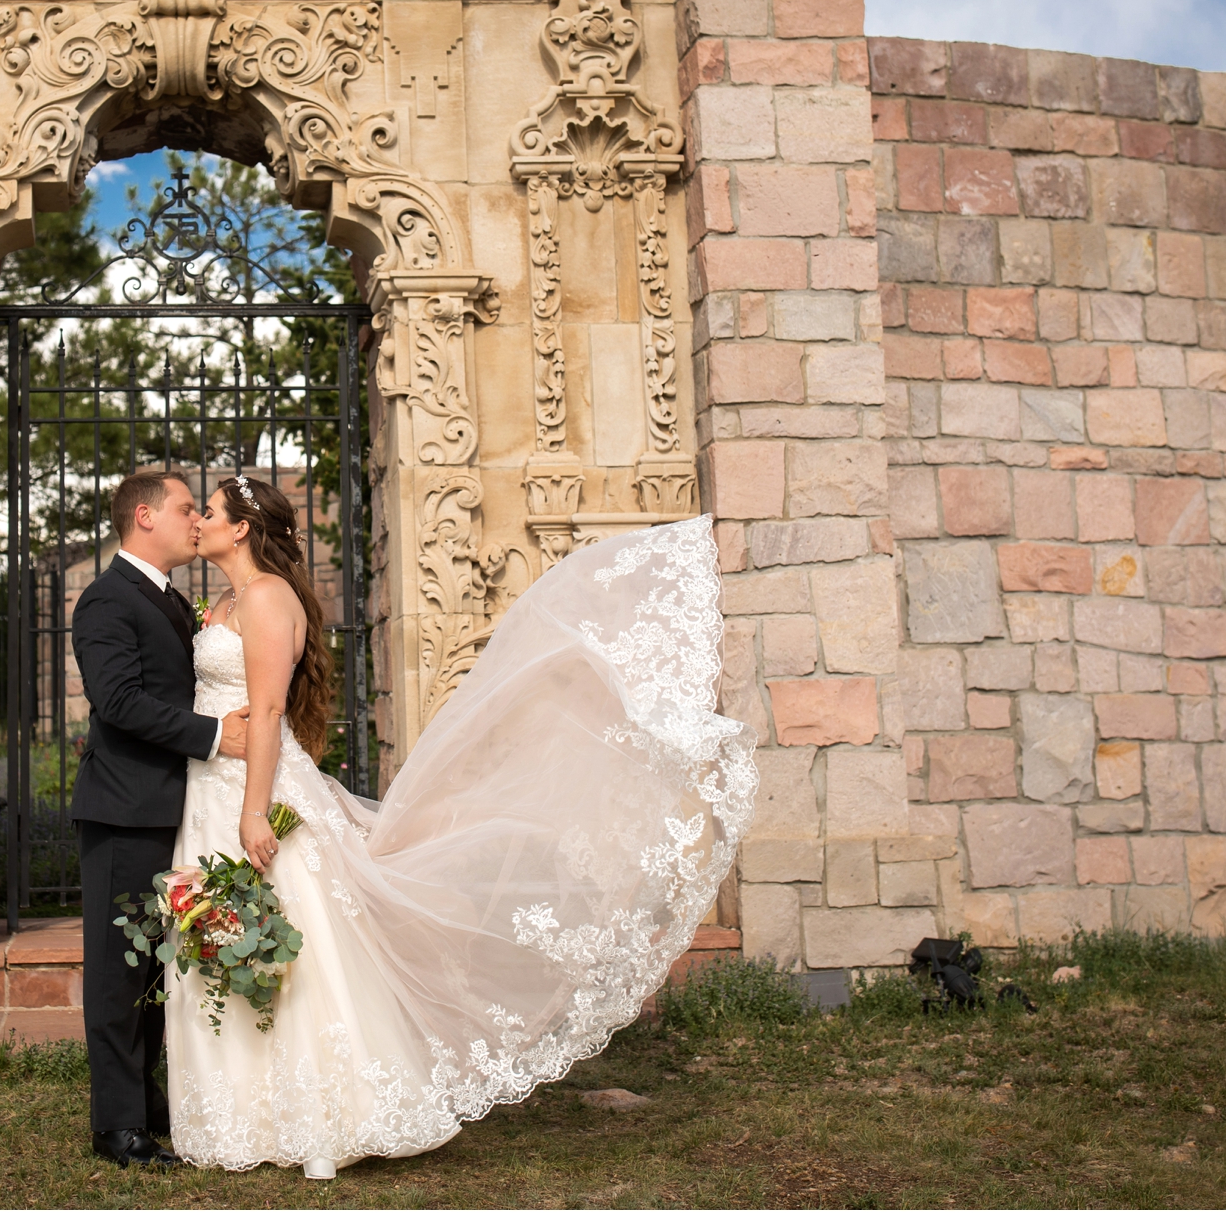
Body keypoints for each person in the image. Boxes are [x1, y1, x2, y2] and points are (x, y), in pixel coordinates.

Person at [161, 476, 754, 1178]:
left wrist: (254, 809)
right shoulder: (224, 601)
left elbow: (265, 712)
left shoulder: (264, 598)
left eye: (210, 511)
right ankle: (238, 1113)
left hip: (254, 789)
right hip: (211, 786)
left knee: (297, 946)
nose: (197, 520)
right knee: (219, 934)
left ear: (241, 527)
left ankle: (325, 1111)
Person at [68, 468, 250, 1170]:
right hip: (123, 809)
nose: (194, 520)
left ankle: (145, 1104)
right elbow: (117, 702)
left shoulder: (172, 601)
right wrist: (212, 735)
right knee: (118, 973)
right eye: (183, 508)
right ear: (143, 516)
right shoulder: (107, 600)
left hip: (174, 809)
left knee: (151, 968)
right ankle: (117, 1126)